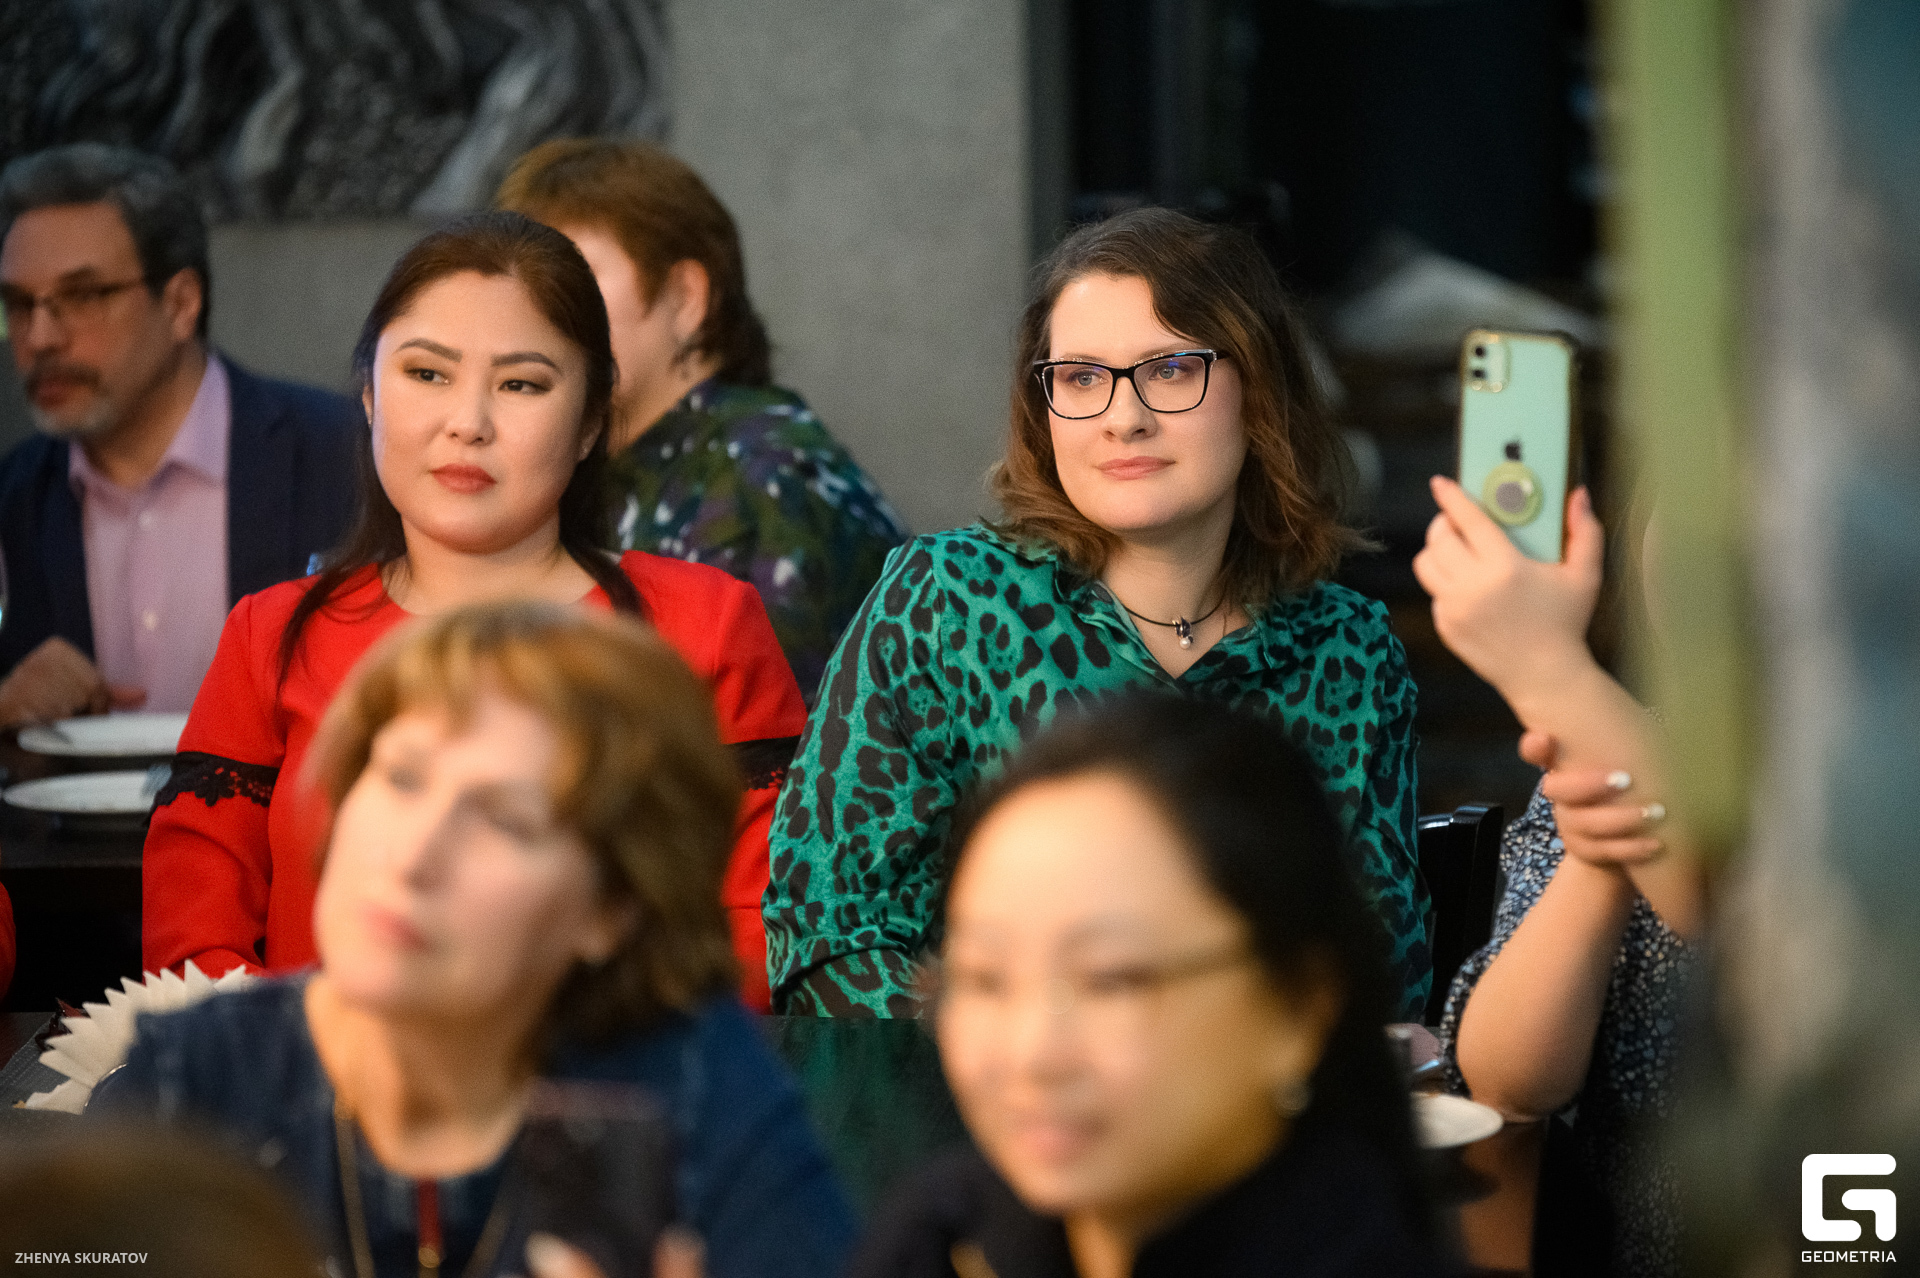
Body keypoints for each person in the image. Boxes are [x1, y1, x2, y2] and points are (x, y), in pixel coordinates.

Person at [766, 207, 1428, 1019]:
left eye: (1171, 369)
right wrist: (1023, 1054)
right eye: (1081, 378)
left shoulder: (1349, 648)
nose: (1124, 417)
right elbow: (831, 933)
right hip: (982, 1087)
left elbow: (1382, 970)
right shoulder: (945, 600)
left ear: (1260, 390)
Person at [140, 211, 806, 1010]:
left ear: (592, 422)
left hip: (619, 1076)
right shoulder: (271, 635)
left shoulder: (705, 623)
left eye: (521, 384)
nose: (468, 423)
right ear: (368, 392)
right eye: (427, 374)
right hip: (311, 1076)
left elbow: (762, 926)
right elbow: (192, 937)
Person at [97, 602, 856, 1278]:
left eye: (505, 821)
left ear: (612, 909)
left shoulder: (693, 1091)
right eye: (401, 778)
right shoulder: (186, 1088)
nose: (413, 856)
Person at [850, 695, 1440, 1278]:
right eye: (985, 979)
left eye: (1109, 981)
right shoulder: (941, 1239)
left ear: (1299, 1008)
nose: (1032, 1055)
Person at [495, 138, 910, 702]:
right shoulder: (589, 461)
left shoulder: (768, 476)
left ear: (686, 298)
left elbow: (791, 744)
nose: (533, 313)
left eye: (573, 279)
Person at [1412, 477, 1701, 1277]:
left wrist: (1549, 670)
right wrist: (1597, 864)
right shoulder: (1612, 744)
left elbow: (1740, 918)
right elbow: (1508, 1084)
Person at [0, 143, 357, 719]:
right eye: (19, 304)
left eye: (83, 296)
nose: (40, 338)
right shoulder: (14, 498)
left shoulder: (344, 454)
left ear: (180, 303)